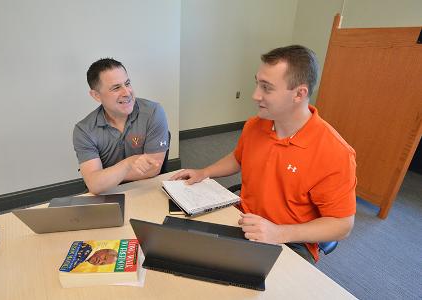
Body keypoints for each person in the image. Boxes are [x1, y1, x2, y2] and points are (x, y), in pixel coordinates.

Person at [171, 45, 356, 263]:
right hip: (244, 219)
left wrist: (278, 233)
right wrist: (204, 172)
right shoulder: (256, 125)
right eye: (257, 83)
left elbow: (342, 225)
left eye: (267, 88)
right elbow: (238, 157)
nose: (255, 95)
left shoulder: (334, 152)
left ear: (299, 93)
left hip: (290, 239)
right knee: (186, 254)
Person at [73, 58, 169, 195]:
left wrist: (106, 177)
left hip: (145, 188)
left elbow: (154, 168)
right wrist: (128, 163)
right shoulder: (84, 130)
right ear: (96, 95)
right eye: (116, 87)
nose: (127, 92)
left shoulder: (153, 112)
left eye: (127, 83)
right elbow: (94, 185)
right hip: (108, 194)